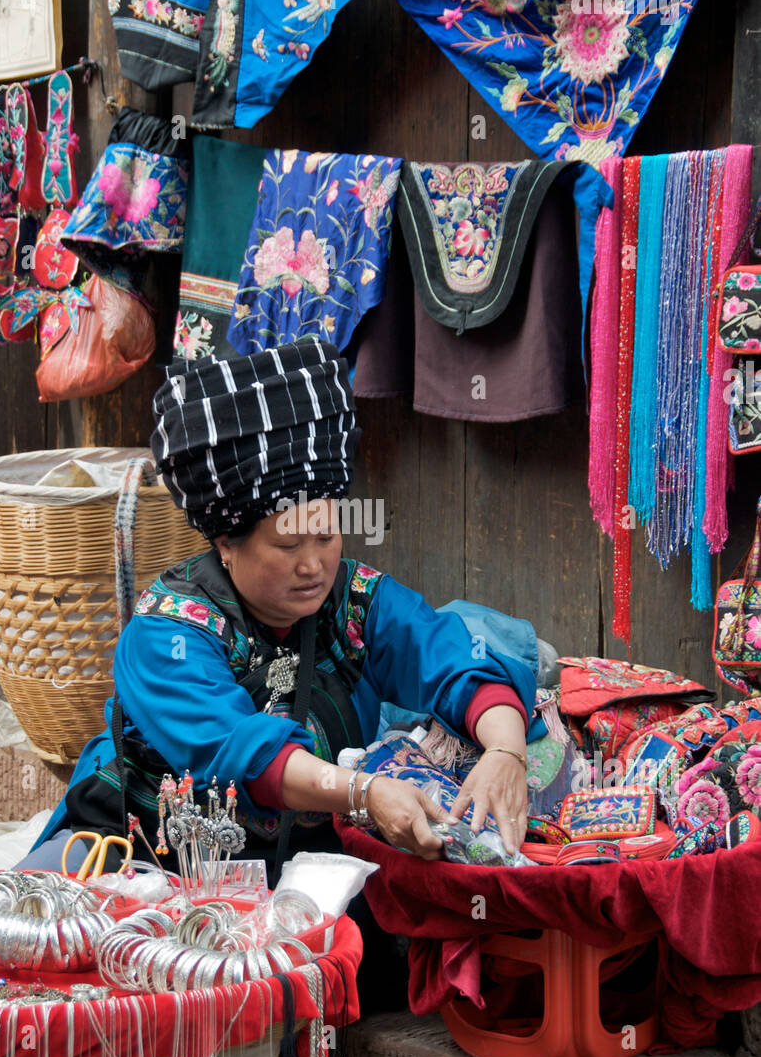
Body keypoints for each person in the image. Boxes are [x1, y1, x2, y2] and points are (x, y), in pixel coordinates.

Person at [26, 339, 538, 928]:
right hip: (150, 861)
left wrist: (506, 751)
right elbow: (241, 751)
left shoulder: (355, 600)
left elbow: (450, 655)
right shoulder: (166, 634)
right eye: (288, 544)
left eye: (325, 536)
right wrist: (365, 794)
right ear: (226, 542)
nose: (314, 564)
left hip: (303, 865)